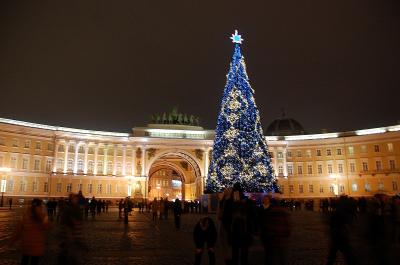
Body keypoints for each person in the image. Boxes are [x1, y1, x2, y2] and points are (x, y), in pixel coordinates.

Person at [12, 198, 49, 265]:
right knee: (34, 262)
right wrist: (46, 218)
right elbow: (46, 228)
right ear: (40, 205)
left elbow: (18, 228)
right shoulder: (43, 215)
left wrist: (13, 240)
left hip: (26, 244)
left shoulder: (25, 214)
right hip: (37, 245)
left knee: (24, 260)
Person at [258, 195, 291, 265]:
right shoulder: (283, 212)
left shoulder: (271, 211)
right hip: (280, 237)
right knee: (282, 256)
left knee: (272, 254)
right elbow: (288, 225)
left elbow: (268, 224)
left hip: (272, 237)